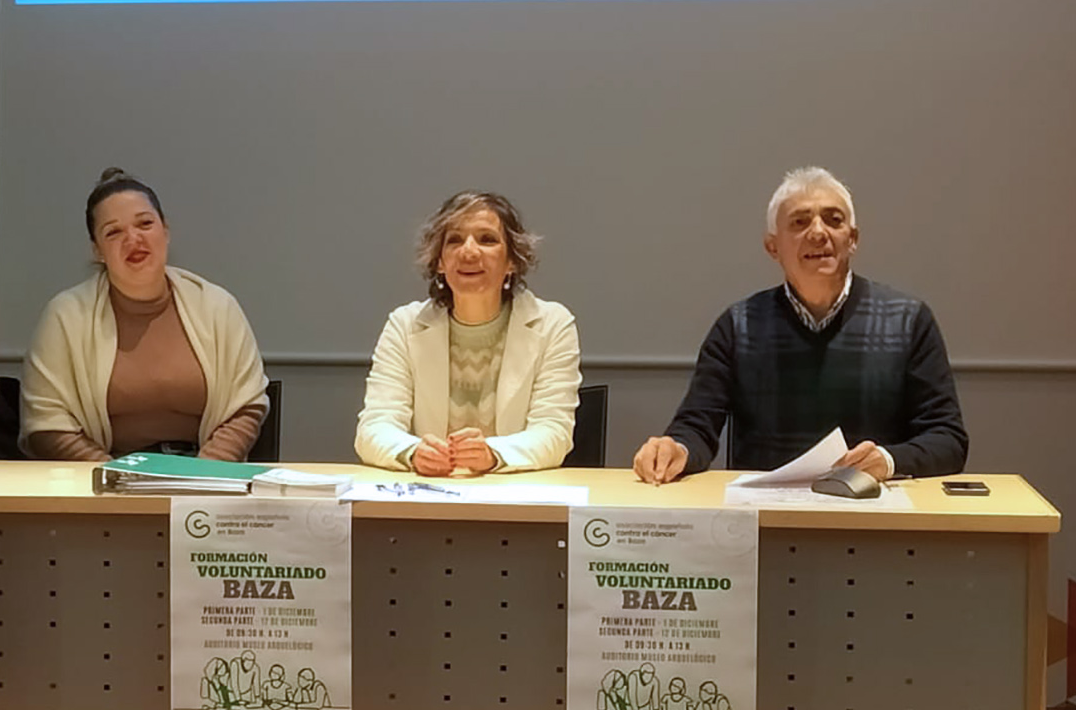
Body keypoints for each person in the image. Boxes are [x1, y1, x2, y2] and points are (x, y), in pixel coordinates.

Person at [633, 167, 968, 484]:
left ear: (852, 239)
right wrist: (676, 448)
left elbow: (948, 439)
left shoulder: (908, 320)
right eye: (800, 222)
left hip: (872, 507)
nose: (819, 233)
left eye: (834, 220)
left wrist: (890, 460)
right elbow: (696, 426)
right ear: (772, 247)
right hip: (766, 513)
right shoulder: (738, 325)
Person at [21, 168, 269, 461]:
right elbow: (46, 425)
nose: (133, 238)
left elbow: (246, 406)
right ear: (97, 250)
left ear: (166, 231)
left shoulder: (217, 306)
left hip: (205, 475)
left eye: (145, 224)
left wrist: (206, 472)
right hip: (101, 478)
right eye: (113, 232)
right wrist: (113, 476)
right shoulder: (65, 316)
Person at [355, 191, 581, 474]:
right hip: (431, 490)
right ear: (440, 261)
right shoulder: (404, 325)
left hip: (515, 490)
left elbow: (554, 432)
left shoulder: (553, 324)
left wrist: (493, 454)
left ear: (512, 260)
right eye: (454, 240)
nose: (469, 252)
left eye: (487, 239)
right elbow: (374, 427)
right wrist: (412, 452)